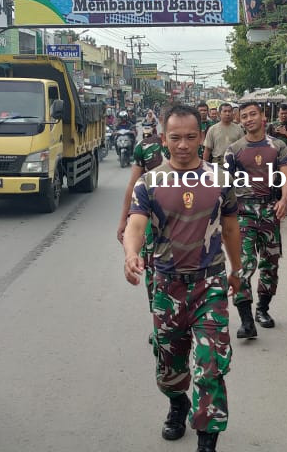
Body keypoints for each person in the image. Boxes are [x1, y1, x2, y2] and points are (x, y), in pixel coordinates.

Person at [122, 105, 242, 452]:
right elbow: (136, 224)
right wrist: (131, 253)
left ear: (200, 136)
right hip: (167, 285)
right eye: (176, 138)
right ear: (164, 139)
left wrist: (237, 270)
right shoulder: (151, 182)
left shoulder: (219, 178)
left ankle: (207, 437)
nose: (184, 145)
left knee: (211, 365)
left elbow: (231, 227)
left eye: (191, 137)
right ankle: (177, 403)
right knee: (170, 362)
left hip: (211, 284)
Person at [224, 103, 287, 339]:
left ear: (263, 117)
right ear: (240, 121)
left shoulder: (278, 146)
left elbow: (286, 175)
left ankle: (262, 310)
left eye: (253, 114)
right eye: (244, 116)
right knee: (243, 264)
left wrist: (284, 199)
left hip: (270, 210)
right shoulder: (234, 150)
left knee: (270, 265)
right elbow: (225, 184)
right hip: (242, 213)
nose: (249, 119)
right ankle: (245, 321)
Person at [117, 123, 169, 300]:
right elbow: (133, 184)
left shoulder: (193, 149)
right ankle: (159, 318)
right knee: (154, 269)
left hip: (187, 219)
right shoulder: (144, 147)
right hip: (151, 217)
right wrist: (124, 220)